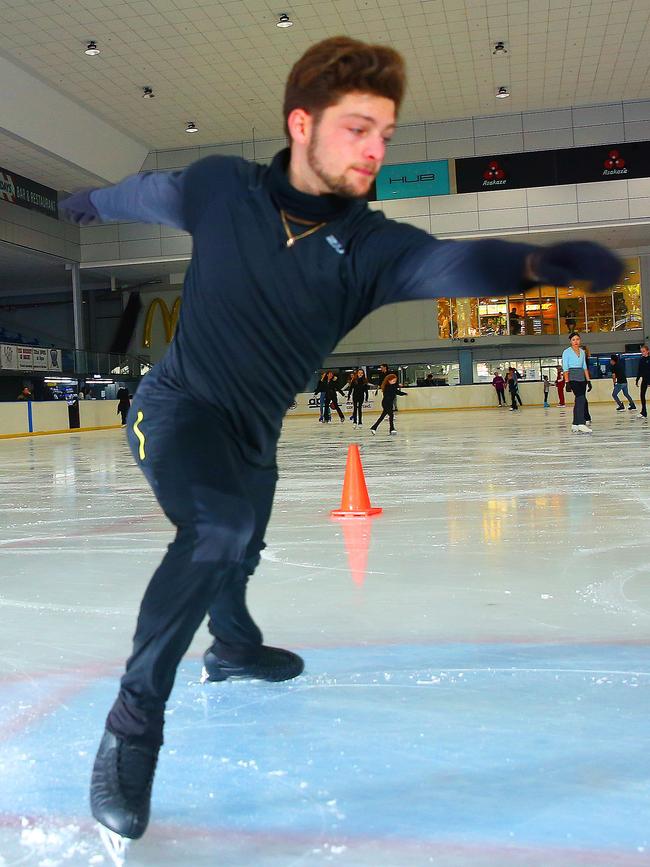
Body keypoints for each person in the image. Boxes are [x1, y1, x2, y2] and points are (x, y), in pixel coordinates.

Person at [59, 35, 622, 848]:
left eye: (385, 133)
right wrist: (87, 202)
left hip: (254, 433)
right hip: (175, 409)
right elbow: (143, 192)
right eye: (358, 127)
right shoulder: (222, 189)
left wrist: (536, 261)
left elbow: (454, 265)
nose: (375, 149)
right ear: (301, 124)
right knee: (217, 529)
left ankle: (234, 650)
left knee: (238, 545)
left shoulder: (370, 247)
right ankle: (132, 725)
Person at [562, 332, 592, 433]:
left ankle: (575, 424)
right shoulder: (566, 352)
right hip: (572, 376)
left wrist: (588, 380)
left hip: (581, 377)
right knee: (581, 398)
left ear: (580, 340)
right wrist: (567, 382)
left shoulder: (582, 352)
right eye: (573, 340)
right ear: (570, 341)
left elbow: (584, 367)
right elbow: (565, 368)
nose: (576, 341)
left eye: (577, 339)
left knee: (579, 400)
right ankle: (581, 423)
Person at [635, 344, 650, 419]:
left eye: (644, 351)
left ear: (648, 351)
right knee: (642, 395)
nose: (642, 353)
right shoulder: (641, 360)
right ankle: (644, 412)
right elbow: (639, 371)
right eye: (641, 352)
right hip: (644, 380)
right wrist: (637, 380)